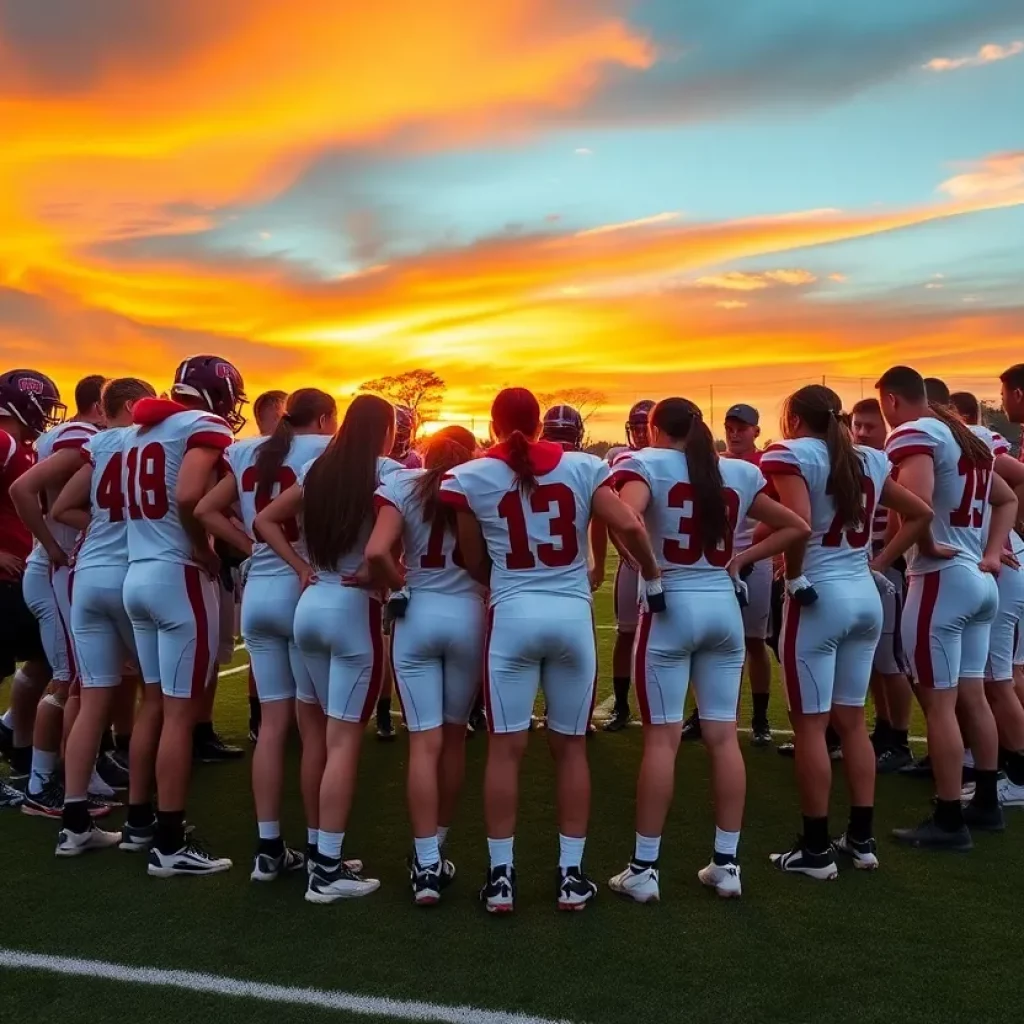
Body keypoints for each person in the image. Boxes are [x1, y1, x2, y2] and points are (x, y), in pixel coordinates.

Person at [440, 387, 662, 913]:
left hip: (513, 616)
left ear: (494, 426)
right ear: (539, 424)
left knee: (504, 750)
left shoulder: (470, 475)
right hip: (570, 617)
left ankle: (500, 878)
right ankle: (570, 876)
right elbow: (628, 523)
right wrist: (652, 577)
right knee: (570, 750)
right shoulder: (583, 466)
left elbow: (472, 560)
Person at [607, 398, 810, 902]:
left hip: (671, 605)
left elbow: (624, 518)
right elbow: (796, 527)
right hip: (722, 607)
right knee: (723, 738)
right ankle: (726, 863)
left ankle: (644, 868)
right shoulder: (738, 471)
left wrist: (648, 568)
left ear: (655, 427)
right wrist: (740, 561)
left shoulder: (645, 463)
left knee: (661, 741)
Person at [761, 385, 933, 877]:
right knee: (853, 721)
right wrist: (877, 562)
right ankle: (861, 840)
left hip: (820, 597)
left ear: (793, 417)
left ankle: (815, 850)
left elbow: (797, 522)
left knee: (812, 725)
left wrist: (793, 575)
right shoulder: (869, 459)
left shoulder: (792, 453)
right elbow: (921, 512)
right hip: (863, 592)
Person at [256, 393, 399, 903]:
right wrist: (390, 578)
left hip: (311, 603)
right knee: (341, 742)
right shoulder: (387, 472)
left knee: (315, 733)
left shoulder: (318, 469)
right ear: (384, 430)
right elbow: (388, 549)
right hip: (351, 605)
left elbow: (264, 520)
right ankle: (327, 869)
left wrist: (299, 567)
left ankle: (319, 847)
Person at [195, 388, 339, 881]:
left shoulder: (248, 451)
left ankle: (268, 847)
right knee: (314, 725)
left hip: (259, 594)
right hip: (304, 588)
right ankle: (321, 851)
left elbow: (204, 509)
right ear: (323, 419)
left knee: (273, 727)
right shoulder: (324, 450)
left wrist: (251, 543)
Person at [879, 366, 1016, 849]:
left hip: (941, 581)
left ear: (892, 401)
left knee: (939, 705)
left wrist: (884, 560)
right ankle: (985, 802)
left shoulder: (917, 433)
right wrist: (993, 550)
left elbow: (916, 506)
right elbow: (1005, 499)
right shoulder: (965, 435)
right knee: (973, 697)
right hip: (980, 581)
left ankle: (950, 818)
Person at [121, 354, 247, 876]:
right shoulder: (201, 425)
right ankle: (170, 842)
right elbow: (191, 495)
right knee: (177, 712)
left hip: (136, 571)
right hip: (176, 576)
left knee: (153, 704)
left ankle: (138, 821)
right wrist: (203, 547)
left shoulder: (138, 433)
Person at [364, 425, 483, 905]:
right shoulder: (477, 486)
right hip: (467, 616)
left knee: (424, 744)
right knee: (454, 739)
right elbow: (483, 563)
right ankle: (436, 846)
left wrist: (400, 586)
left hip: (418, 615)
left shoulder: (401, 486)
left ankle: (425, 866)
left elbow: (376, 552)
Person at [50, 378, 157, 854]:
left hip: (87, 576)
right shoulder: (146, 440)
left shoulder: (96, 444)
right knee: (156, 696)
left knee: (92, 697)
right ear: (134, 405)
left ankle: (74, 820)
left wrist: (101, 525)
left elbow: (61, 506)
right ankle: (141, 818)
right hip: (130, 575)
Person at [10, 374, 109, 816]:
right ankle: (41, 785)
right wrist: (51, 547)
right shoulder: (80, 437)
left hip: (57, 570)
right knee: (67, 678)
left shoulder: (66, 436)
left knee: (79, 678)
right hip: (55, 571)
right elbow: (22, 489)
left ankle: (76, 775)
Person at [950, 390, 1024, 807]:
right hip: (990, 566)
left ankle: (1017, 775)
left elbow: (1012, 487)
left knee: (999, 680)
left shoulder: (975, 441)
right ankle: (990, 767)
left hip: (1000, 570)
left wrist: (1005, 538)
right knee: (989, 680)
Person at [0, 369, 64, 808]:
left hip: (17, 575)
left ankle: (15, 739)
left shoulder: (18, 446)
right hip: (3, 576)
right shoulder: (3, 442)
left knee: (44, 655)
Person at [850, 397, 915, 771]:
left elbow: (905, 517)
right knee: (873, 660)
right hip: (862, 566)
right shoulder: (857, 464)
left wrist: (882, 561)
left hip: (882, 565)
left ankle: (900, 740)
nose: (860, 432)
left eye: (869, 426)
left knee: (890, 659)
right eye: (856, 425)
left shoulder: (890, 463)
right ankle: (884, 728)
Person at [594, 398, 655, 732]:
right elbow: (608, 516)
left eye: (646, 426)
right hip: (634, 564)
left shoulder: (667, 460)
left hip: (667, 563)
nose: (641, 434)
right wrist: (624, 550)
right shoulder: (618, 459)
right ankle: (620, 703)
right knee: (626, 633)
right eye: (636, 427)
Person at [721, 403, 775, 745]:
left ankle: (759, 717)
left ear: (756, 430)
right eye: (730, 426)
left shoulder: (767, 465)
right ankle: (710, 713)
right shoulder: (714, 465)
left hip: (755, 559)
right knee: (719, 641)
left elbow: (781, 516)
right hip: (718, 561)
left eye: (742, 427)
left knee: (754, 641)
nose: (735, 432)